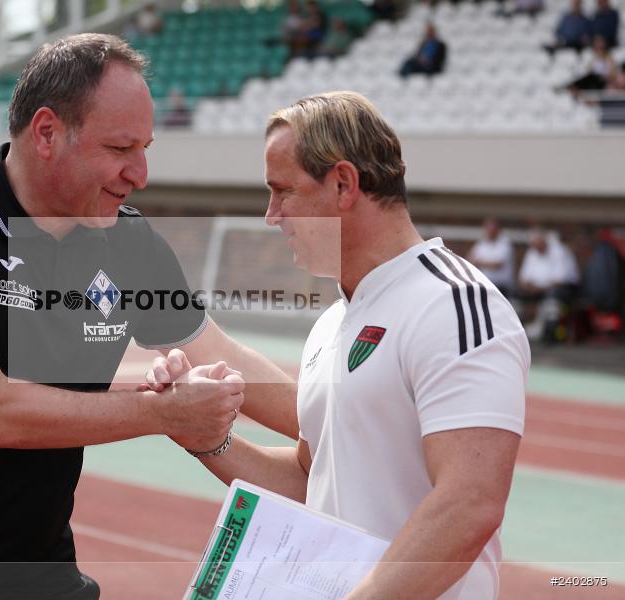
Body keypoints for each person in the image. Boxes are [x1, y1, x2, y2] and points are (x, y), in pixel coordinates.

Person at [0, 33, 295, 600]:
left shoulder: (127, 238)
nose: (139, 173)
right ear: (46, 133)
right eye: (120, 150)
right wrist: (166, 413)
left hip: (38, 568)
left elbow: (223, 357)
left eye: (145, 148)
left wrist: (343, 418)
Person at [148, 91, 528, 599]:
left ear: (344, 184)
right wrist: (203, 439)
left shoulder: (453, 304)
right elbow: (314, 478)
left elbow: (469, 503)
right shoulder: (333, 321)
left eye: (283, 191)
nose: (271, 214)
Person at [468, 218, 516, 297]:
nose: (489, 231)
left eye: (492, 228)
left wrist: (480, 262)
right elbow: (470, 259)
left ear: (498, 229)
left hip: (501, 285)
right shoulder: (482, 242)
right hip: (484, 284)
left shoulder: (505, 243)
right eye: (488, 228)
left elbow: (497, 264)